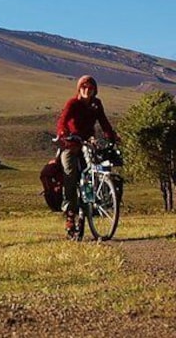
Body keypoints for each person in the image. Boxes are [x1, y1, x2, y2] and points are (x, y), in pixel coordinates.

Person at [56, 75, 117, 239]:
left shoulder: (96, 105)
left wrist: (111, 136)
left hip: (88, 143)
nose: (87, 90)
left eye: (90, 88)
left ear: (95, 90)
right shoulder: (73, 103)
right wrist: (63, 133)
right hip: (71, 143)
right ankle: (70, 213)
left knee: (92, 172)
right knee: (69, 173)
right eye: (84, 87)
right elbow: (63, 120)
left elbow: (104, 123)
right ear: (79, 89)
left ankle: (88, 207)